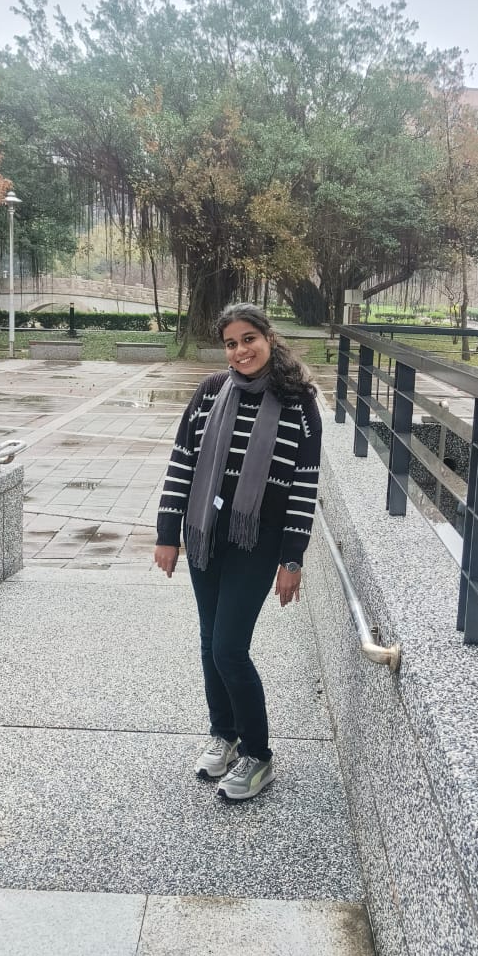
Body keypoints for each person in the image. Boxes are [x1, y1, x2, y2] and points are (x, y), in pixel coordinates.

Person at [154, 303, 322, 802]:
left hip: (257, 543)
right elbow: (182, 463)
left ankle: (258, 755)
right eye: (231, 343)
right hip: (205, 535)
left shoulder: (298, 403)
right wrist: (168, 533)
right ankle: (224, 734)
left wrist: (292, 558)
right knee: (210, 642)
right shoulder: (210, 392)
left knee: (229, 648)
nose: (241, 351)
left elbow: (303, 486)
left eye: (249, 339)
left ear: (268, 338)